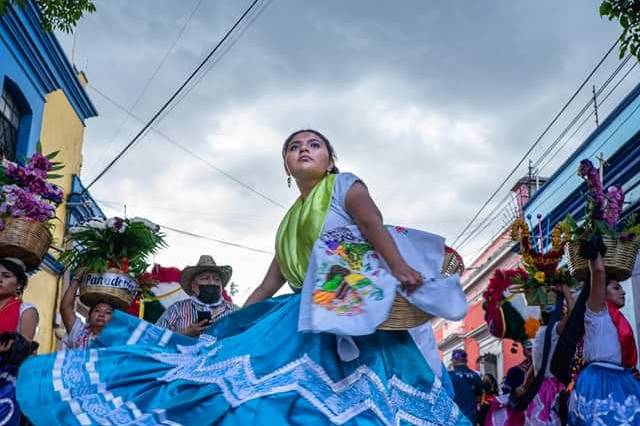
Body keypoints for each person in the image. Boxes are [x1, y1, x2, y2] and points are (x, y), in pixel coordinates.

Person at [17, 129, 469, 425]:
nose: (303, 149)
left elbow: (372, 224)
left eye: (313, 144)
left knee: (360, 406)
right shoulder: (288, 221)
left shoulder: (344, 185)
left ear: (331, 159)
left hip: (351, 311)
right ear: (286, 167)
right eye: (293, 147)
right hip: (301, 313)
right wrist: (228, 325)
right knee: (249, 392)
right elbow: (268, 285)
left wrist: (400, 267)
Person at [568, 254, 640, 425]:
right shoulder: (596, 312)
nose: (623, 292)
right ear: (601, 293)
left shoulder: (619, 317)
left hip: (622, 378)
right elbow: (599, 273)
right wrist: (595, 253)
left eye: (621, 288)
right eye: (616, 288)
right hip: (599, 380)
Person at [524, 284, 574, 425]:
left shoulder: (539, 334)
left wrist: (524, 386)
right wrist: (566, 292)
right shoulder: (554, 330)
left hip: (539, 388)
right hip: (553, 388)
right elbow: (573, 316)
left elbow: (534, 367)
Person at [155, 255, 235, 337]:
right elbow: (154, 337)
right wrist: (186, 332)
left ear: (222, 286)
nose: (212, 282)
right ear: (193, 286)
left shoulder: (234, 311)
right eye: (205, 278)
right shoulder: (177, 309)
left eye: (217, 279)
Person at [0, 258, 38, 425]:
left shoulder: (26, 310)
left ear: (19, 283)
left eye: (6, 276)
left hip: (7, 377)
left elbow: (23, 347)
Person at [60, 272, 115, 349]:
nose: (101, 314)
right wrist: (76, 279)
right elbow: (65, 308)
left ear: (114, 321)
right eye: (97, 310)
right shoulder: (79, 333)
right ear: (88, 318)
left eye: (108, 312)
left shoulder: (118, 342)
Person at [448, 349, 482, 424]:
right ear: (466, 360)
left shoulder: (450, 375)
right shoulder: (476, 376)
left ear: (454, 360)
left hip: (455, 417)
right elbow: (479, 397)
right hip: (471, 417)